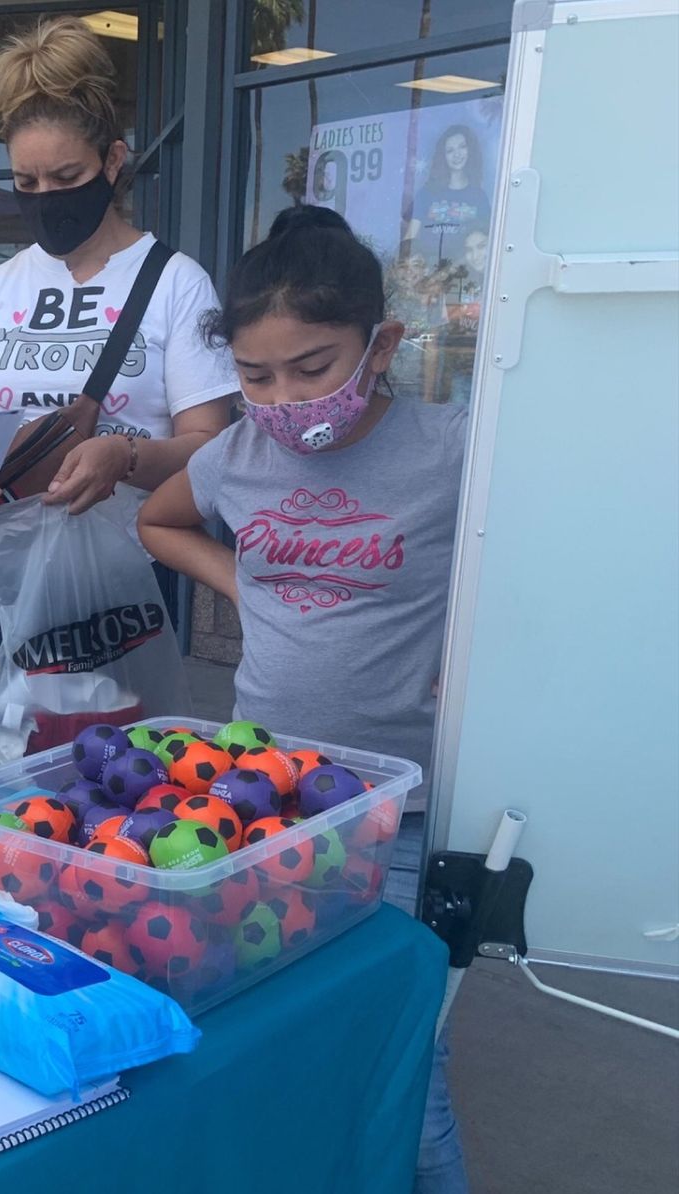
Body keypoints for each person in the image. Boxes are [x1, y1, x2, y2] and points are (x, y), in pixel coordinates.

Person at [137, 205, 470, 1193]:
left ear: (383, 345)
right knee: (285, 1026)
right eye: (255, 376)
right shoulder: (235, 459)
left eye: (313, 367)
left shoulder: (453, 449)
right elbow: (159, 521)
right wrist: (246, 583)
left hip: (400, 814)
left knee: (407, 1049)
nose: (283, 396)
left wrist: (489, 650)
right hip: (267, 808)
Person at [0, 16, 237, 769]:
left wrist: (123, 455)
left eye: (65, 178)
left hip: (120, 570)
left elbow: (213, 450)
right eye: (25, 183)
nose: (45, 198)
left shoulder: (173, 282)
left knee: (122, 779)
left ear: (113, 161)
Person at [405, 124, 490, 262]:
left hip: (464, 271)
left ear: (470, 150)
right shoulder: (427, 193)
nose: (457, 154)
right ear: (443, 156)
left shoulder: (479, 197)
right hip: (428, 269)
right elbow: (410, 238)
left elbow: (486, 240)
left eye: (462, 147)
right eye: (450, 150)